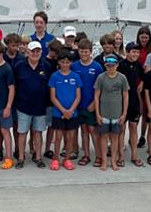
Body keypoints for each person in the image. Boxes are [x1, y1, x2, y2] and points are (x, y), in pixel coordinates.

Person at [13, 41, 51, 169]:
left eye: (38, 51)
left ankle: (38, 157)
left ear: (41, 52)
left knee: (38, 133)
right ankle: (21, 158)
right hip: (23, 106)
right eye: (32, 51)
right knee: (22, 133)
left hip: (40, 106)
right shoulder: (19, 66)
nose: (35, 53)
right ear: (27, 52)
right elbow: (14, 86)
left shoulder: (46, 65)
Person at [47, 50, 81, 171]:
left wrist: (70, 110)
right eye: (62, 62)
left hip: (73, 112)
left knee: (70, 137)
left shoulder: (75, 76)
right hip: (58, 112)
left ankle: (67, 159)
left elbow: (78, 96)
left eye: (67, 62)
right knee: (58, 137)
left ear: (70, 62)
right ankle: (56, 159)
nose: (65, 64)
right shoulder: (55, 76)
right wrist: (63, 110)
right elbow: (53, 96)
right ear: (59, 62)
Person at [71, 38, 102, 167]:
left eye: (86, 52)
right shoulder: (74, 66)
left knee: (93, 130)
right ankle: (86, 155)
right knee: (83, 130)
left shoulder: (97, 67)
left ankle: (99, 156)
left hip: (91, 104)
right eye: (81, 51)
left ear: (91, 52)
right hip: (79, 104)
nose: (83, 54)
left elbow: (100, 88)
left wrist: (94, 104)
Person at [94, 54, 128, 171]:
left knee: (115, 138)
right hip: (103, 114)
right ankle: (104, 161)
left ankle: (113, 161)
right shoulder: (101, 78)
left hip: (117, 114)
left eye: (113, 65)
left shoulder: (122, 78)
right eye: (108, 66)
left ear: (117, 65)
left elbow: (125, 96)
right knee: (103, 137)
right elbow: (97, 95)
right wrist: (97, 114)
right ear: (105, 66)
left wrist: (124, 113)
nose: (110, 68)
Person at [118, 42, 144, 167]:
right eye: (133, 52)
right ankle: (121, 156)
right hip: (122, 101)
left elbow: (144, 77)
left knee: (133, 128)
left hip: (134, 101)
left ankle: (134, 155)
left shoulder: (139, 65)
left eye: (137, 52)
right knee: (121, 129)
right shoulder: (121, 65)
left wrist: (142, 83)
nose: (135, 54)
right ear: (127, 52)